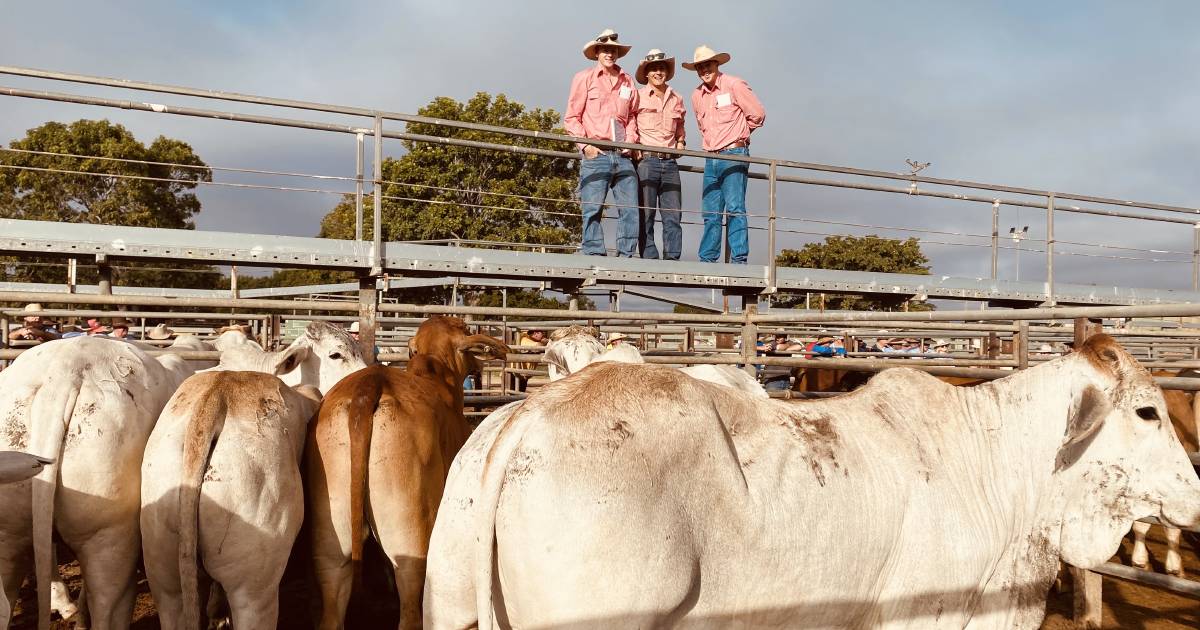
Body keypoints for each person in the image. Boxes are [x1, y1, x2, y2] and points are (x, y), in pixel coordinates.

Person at [683, 45, 766, 264]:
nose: (704, 70)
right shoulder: (696, 95)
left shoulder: (734, 84)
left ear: (716, 64)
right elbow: (703, 127)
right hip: (711, 156)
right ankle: (707, 258)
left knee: (735, 207)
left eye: (707, 64)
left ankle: (739, 259)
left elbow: (757, 114)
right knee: (710, 212)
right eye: (700, 67)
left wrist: (739, 135)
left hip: (734, 152)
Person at [564, 28, 641, 257]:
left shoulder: (627, 81)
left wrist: (631, 143)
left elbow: (632, 117)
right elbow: (571, 118)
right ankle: (594, 253)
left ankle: (626, 256)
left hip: (623, 154)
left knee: (630, 210)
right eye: (605, 49)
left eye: (613, 50)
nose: (609, 53)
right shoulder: (583, 78)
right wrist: (586, 147)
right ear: (597, 52)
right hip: (596, 154)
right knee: (592, 209)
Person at [632, 49, 686, 260]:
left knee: (673, 215)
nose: (658, 72)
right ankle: (649, 257)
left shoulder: (677, 98)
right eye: (654, 68)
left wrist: (681, 142)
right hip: (646, 160)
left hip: (670, 163)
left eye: (662, 67)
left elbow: (680, 125)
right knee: (646, 214)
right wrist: (633, 146)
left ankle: (672, 258)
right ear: (646, 73)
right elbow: (628, 122)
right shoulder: (637, 96)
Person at [512, 328, 548, 392]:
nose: (544, 336)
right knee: (514, 396)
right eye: (543, 334)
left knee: (518, 394)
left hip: (521, 374)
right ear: (536, 333)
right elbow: (538, 347)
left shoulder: (530, 339)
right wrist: (544, 343)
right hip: (514, 375)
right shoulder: (525, 339)